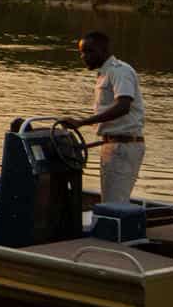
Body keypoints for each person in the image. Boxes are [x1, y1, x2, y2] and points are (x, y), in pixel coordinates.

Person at [62, 30, 146, 204]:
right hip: (112, 144)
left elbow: (123, 106)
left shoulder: (119, 71)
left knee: (114, 203)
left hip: (122, 146)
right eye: (81, 52)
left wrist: (82, 122)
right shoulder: (104, 73)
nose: (83, 56)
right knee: (110, 199)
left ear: (104, 50)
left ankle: (117, 231)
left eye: (89, 51)